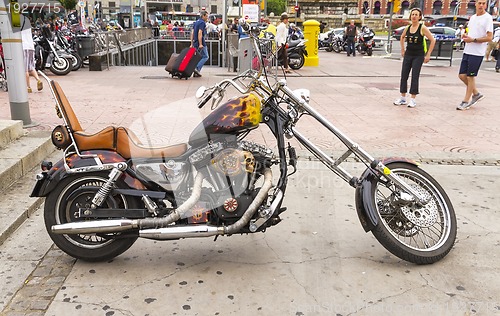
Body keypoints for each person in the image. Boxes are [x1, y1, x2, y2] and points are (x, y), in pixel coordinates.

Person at [393, 8, 436, 108]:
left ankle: (413, 99)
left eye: (416, 15)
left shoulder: (422, 28)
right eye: (412, 14)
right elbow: (402, 37)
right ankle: (403, 97)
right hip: (408, 54)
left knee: (415, 76)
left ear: (420, 17)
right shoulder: (407, 28)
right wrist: (402, 49)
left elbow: (432, 40)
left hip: (418, 55)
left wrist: (428, 54)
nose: (414, 16)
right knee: (404, 75)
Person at [456, 0, 493, 110]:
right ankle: (476, 93)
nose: (481, 5)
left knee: (470, 76)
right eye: (479, 3)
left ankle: (466, 101)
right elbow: (472, 33)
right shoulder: (473, 18)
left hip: (477, 53)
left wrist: (474, 40)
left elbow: (489, 37)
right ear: (475, 4)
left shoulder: (488, 18)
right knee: (462, 75)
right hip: (468, 50)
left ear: (486, 5)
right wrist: (466, 36)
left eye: (483, 3)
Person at [21, 27, 43, 93]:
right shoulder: (26, 22)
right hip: (31, 47)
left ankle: (28, 87)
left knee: (24, 68)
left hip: (23, 47)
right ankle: (38, 80)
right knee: (31, 66)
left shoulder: (16, 23)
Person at [191, 10, 209, 77]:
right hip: (200, 42)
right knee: (205, 56)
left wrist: (191, 43)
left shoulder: (196, 22)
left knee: (198, 57)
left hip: (195, 42)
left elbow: (192, 33)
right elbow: (200, 32)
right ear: (203, 16)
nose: (207, 18)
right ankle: (197, 69)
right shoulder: (202, 23)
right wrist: (201, 43)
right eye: (206, 16)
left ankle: (196, 72)